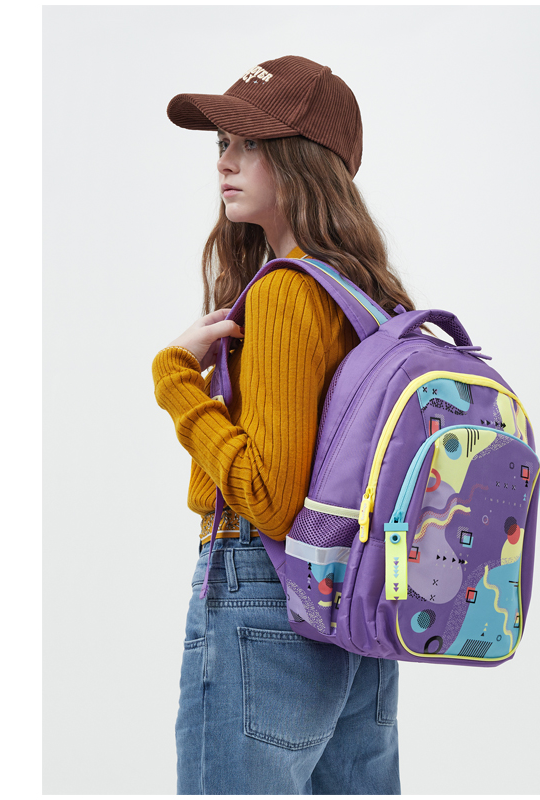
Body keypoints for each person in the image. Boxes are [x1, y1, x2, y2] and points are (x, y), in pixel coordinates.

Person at [151, 55, 419, 795]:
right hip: (357, 608)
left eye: (250, 143)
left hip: (264, 591)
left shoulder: (284, 294)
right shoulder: (370, 301)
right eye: (222, 143)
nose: (224, 162)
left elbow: (270, 500)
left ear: (306, 161)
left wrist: (176, 382)